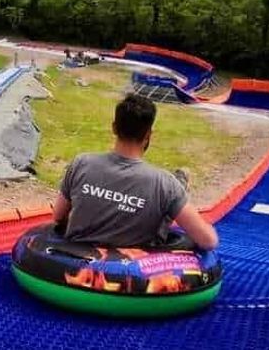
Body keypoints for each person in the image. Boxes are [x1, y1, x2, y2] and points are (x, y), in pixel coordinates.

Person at [53, 93, 219, 250]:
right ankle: (179, 187)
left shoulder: (81, 163)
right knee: (167, 199)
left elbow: (58, 215)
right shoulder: (165, 184)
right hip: (131, 273)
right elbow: (208, 241)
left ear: (114, 128)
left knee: (166, 195)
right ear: (148, 134)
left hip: (74, 266)